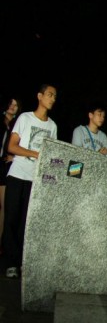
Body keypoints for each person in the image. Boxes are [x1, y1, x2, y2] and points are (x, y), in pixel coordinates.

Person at [2, 84, 58, 278]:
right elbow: (11, 146)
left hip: (35, 179)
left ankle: (21, 262)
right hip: (18, 174)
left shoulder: (52, 126)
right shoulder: (25, 118)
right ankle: (10, 263)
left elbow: (52, 155)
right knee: (11, 218)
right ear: (40, 96)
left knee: (26, 222)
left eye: (55, 96)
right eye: (49, 95)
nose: (52, 99)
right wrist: (35, 153)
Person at [0, 96, 20, 256]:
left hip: (5, 166)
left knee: (3, 207)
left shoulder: (16, 125)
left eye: (16, 105)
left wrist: (14, 157)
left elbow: (17, 146)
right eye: (11, 104)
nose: (13, 107)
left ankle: (2, 244)